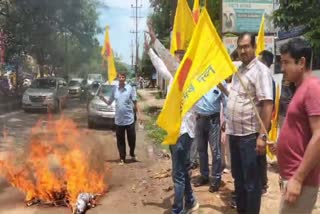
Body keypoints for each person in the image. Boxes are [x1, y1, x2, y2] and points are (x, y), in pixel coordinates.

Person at [146, 24, 199, 214]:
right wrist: (151, 51)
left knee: (177, 175)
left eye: (178, 58)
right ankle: (191, 201)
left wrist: (156, 42)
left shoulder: (188, 77)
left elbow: (167, 62)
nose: (175, 60)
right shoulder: (175, 78)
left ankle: (178, 210)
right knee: (183, 170)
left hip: (182, 132)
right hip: (176, 130)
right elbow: (161, 66)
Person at [270, 38, 320, 214]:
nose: (282, 68)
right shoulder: (300, 89)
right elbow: (302, 131)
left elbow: (319, 135)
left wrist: (298, 179)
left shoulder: (312, 88)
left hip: (301, 180)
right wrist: (281, 146)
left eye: (286, 62)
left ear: (302, 62)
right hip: (292, 176)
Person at [226, 32, 274, 214]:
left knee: (252, 184)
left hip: (249, 137)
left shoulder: (261, 71)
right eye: (240, 47)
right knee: (238, 180)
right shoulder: (238, 69)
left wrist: (262, 136)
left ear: (254, 47)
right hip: (234, 135)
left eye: (247, 46)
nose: (243, 50)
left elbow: (267, 104)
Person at [192, 83, 227, 193]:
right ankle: (204, 176)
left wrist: (225, 119)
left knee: (215, 150)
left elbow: (225, 101)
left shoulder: (220, 81)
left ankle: (216, 179)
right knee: (201, 150)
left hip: (214, 121)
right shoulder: (200, 80)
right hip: (199, 119)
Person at [100, 73, 138, 165]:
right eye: (120, 77)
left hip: (129, 119)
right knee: (120, 141)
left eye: (123, 77)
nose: (121, 79)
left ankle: (132, 154)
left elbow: (134, 101)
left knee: (132, 139)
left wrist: (137, 113)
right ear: (118, 78)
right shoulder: (114, 89)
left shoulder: (130, 88)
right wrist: (102, 98)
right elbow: (109, 102)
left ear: (125, 78)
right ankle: (122, 158)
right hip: (119, 120)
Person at [258, 50, 276, 195]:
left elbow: (268, 104)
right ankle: (261, 182)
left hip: (263, 121)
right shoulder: (266, 77)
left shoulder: (267, 78)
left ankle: (262, 184)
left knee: (260, 151)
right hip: (261, 120)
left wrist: (263, 128)